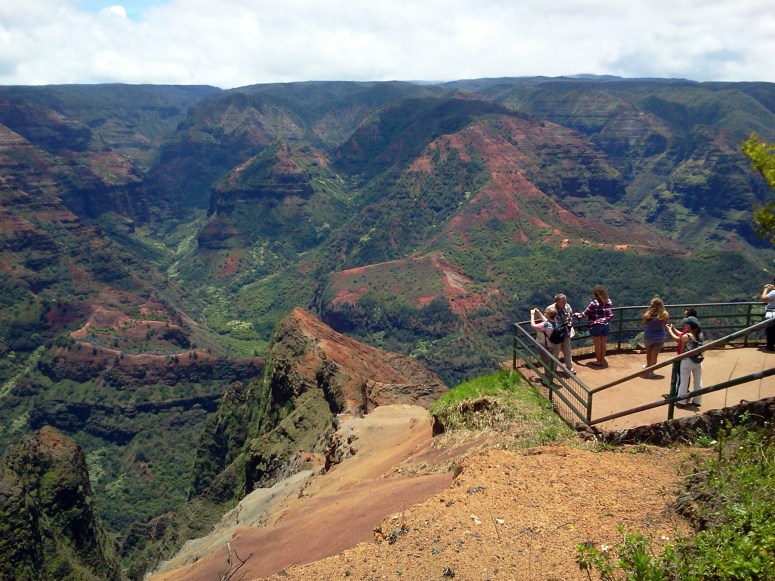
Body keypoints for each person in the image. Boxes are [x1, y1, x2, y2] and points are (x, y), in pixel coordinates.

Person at [666, 316, 703, 409]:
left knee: (684, 382)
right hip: (698, 361)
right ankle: (697, 401)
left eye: (686, 323)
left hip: (687, 361)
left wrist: (670, 330)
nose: (685, 324)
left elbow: (681, 351)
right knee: (698, 381)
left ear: (689, 326)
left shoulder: (686, 336)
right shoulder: (700, 335)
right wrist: (673, 330)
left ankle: (681, 402)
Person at [575, 286, 613, 368]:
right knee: (603, 344)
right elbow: (608, 312)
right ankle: (602, 360)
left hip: (596, 325)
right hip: (606, 324)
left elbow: (584, 314)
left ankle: (599, 361)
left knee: (597, 345)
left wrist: (577, 315)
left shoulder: (594, 303)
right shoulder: (608, 301)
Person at [546, 293, 576, 375]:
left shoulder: (567, 306)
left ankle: (570, 367)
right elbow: (547, 320)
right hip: (556, 334)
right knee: (555, 352)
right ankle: (553, 369)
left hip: (566, 332)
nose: (565, 302)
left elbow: (570, 316)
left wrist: (569, 323)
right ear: (557, 301)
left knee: (567, 351)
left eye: (565, 300)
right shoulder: (550, 308)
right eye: (563, 301)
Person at [641, 297, 669, 378]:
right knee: (654, 355)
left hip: (649, 336)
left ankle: (648, 366)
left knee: (648, 353)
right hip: (660, 337)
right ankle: (651, 372)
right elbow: (666, 323)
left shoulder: (648, 314)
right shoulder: (665, 314)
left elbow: (644, 323)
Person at [530, 306, 561, 377]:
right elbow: (546, 320)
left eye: (545, 312)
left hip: (544, 345)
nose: (544, 313)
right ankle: (551, 374)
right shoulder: (555, 322)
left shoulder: (545, 325)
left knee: (546, 362)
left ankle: (547, 379)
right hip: (554, 344)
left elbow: (533, 325)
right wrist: (538, 313)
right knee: (552, 361)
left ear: (548, 315)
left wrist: (532, 315)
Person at [761, 282, 775, 351]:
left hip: (772, 315)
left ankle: (770, 346)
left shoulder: (773, 292)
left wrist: (765, 289)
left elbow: (763, 298)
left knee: (771, 331)